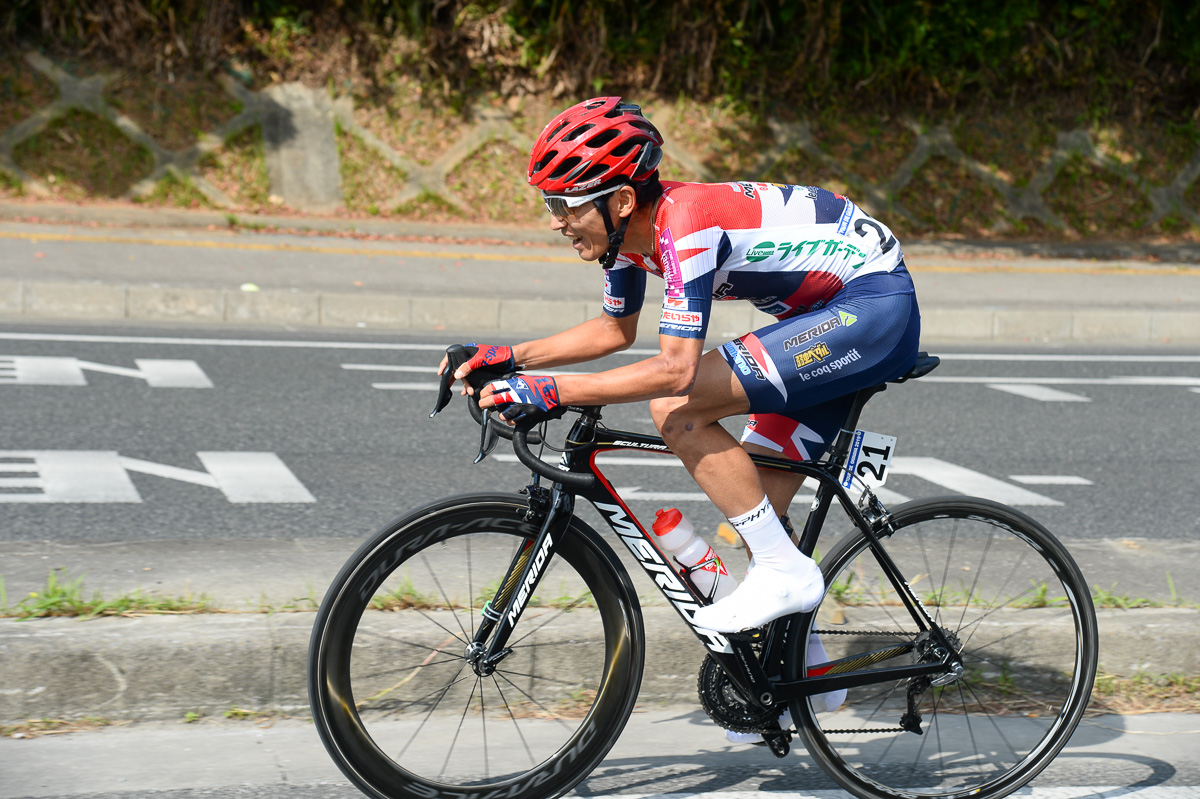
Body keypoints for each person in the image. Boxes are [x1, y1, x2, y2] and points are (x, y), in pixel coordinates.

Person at [440, 96, 920, 634]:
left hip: (871, 307)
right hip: (817, 317)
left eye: (566, 205)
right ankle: (799, 678)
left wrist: (554, 390)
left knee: (677, 409)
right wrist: (509, 357)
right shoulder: (625, 237)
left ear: (621, 200)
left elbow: (675, 370)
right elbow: (613, 331)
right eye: (553, 204)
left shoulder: (684, 223)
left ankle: (787, 577)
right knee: (755, 504)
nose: (557, 222)